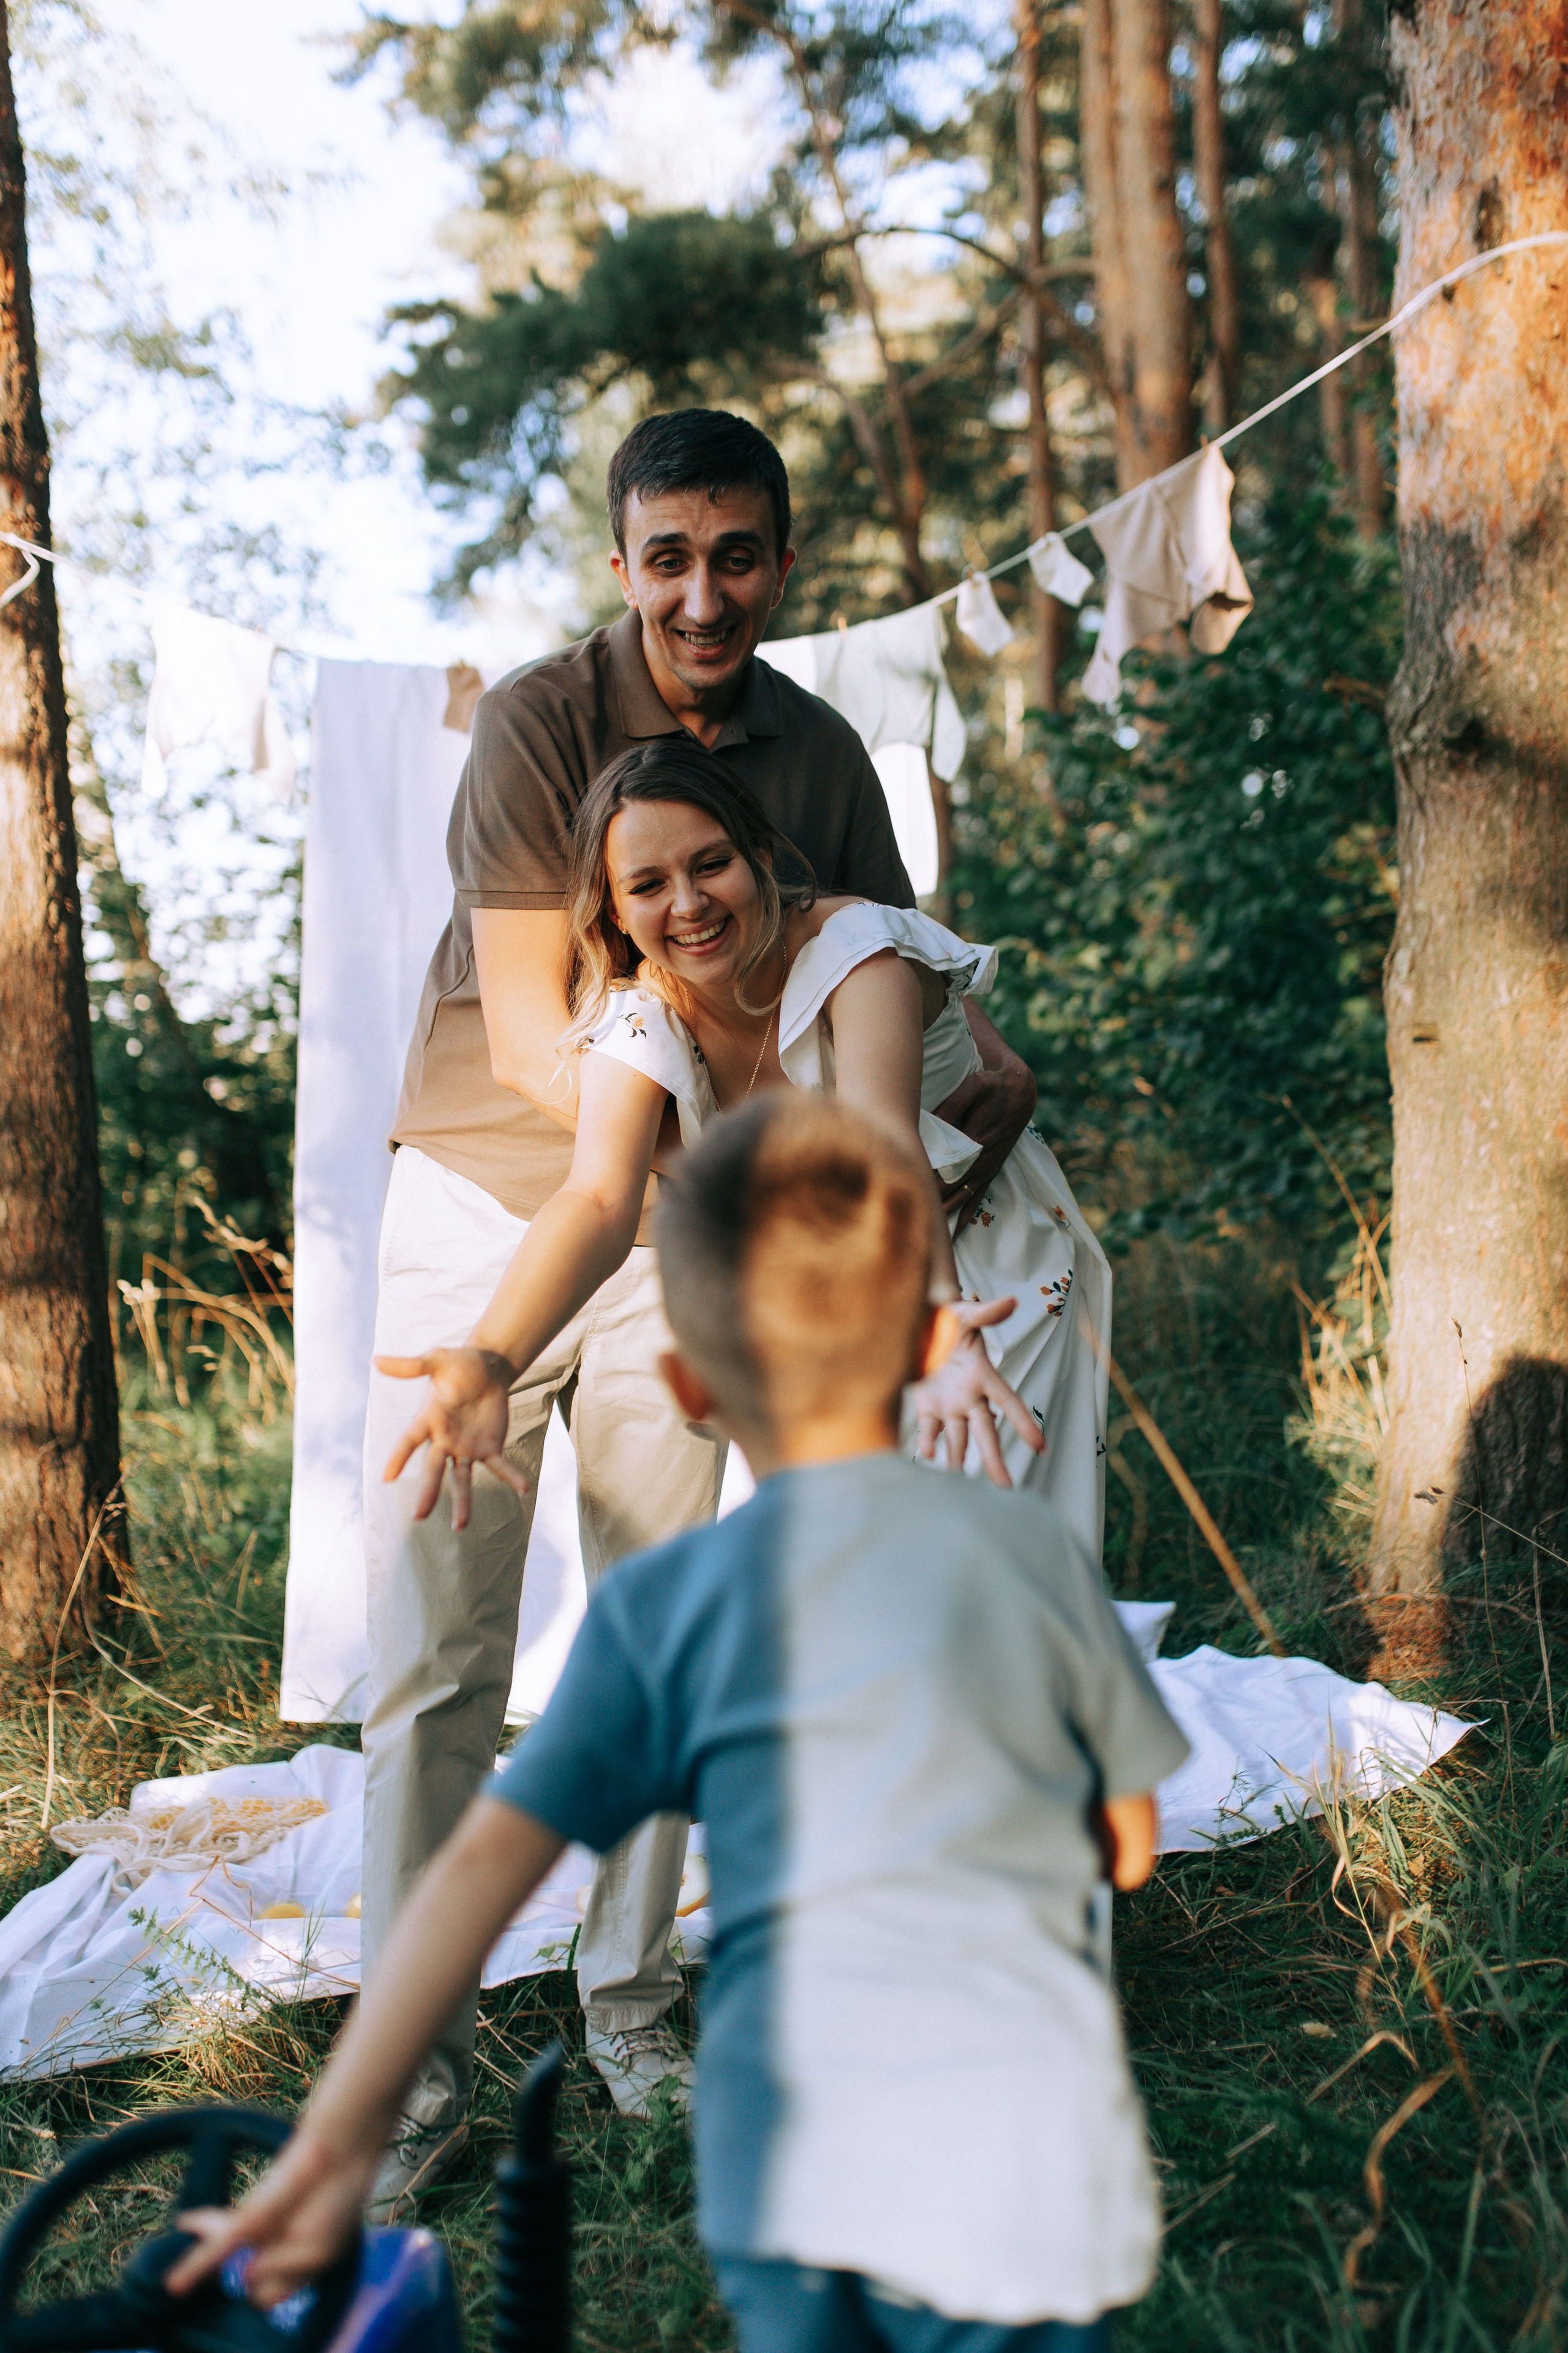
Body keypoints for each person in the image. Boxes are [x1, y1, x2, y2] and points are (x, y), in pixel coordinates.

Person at [169, 1093, 1190, 2352]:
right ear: (929, 1336)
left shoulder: (667, 1612)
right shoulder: (1030, 1561)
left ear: (690, 1385)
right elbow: (1125, 1842)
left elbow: (470, 1882)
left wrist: (331, 2148)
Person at [362, 404, 1038, 2188]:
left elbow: (879, 976)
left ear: (783, 563)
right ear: (622, 563)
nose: (703, 594)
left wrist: (977, 1076)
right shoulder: (537, 722)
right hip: (494, 1206)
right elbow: (537, 1040)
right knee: (436, 1650)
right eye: (669, 557)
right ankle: (411, 2068)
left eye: (738, 557)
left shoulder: (822, 757)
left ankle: (632, 2001)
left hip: (675, 1225)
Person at [383, 739, 1109, 1558]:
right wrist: (491, 1358)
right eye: (648, 886)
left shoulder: (855, 950)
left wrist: (941, 1328)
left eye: (711, 864)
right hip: (827, 1292)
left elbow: (882, 1146)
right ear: (614, 911)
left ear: (760, 855)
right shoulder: (641, 1016)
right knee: (846, 1571)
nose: (689, 904)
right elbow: (597, 1199)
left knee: (983, 1566)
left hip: (977, 1268)